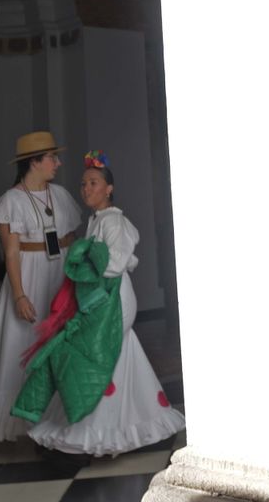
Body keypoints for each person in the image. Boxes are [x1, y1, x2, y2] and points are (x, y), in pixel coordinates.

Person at [24, 151, 185, 456]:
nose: (86, 189)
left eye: (93, 183)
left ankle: (100, 428)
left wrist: (84, 259)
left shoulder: (113, 221)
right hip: (101, 297)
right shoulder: (98, 220)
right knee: (119, 355)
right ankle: (142, 421)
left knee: (99, 356)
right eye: (83, 184)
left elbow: (115, 262)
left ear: (109, 188)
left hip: (114, 298)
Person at [0, 130, 84, 443]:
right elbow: (11, 252)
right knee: (22, 343)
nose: (58, 163)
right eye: (52, 157)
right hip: (30, 275)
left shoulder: (60, 195)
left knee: (62, 342)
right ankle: (22, 422)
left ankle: (60, 417)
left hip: (61, 274)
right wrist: (20, 294)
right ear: (34, 162)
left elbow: (73, 239)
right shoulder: (11, 201)